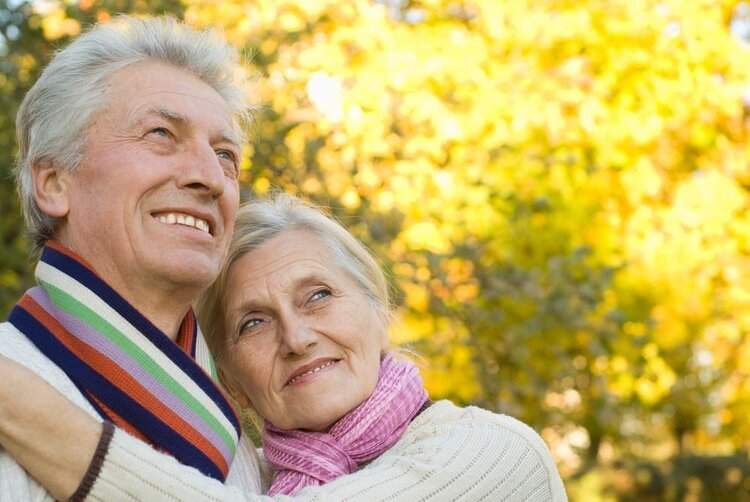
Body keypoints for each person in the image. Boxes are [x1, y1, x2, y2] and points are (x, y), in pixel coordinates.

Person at [0, 194, 569, 501]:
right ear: (233, 384)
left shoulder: (493, 453)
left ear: (380, 312)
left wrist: (26, 409)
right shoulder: (244, 479)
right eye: (253, 324)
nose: (296, 338)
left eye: (318, 295)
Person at [1, 15, 263, 500]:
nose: (210, 176)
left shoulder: (265, 433)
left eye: (226, 154)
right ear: (54, 183)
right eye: (161, 134)